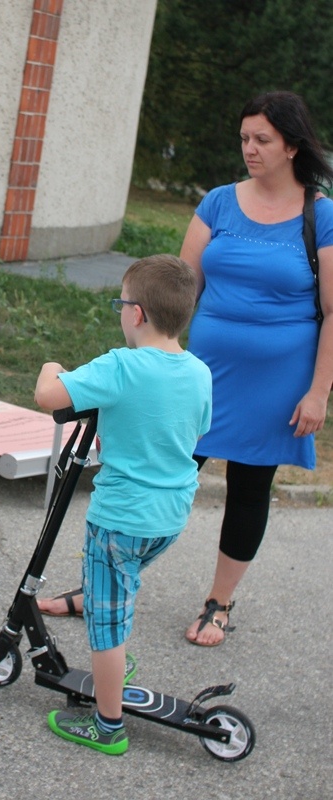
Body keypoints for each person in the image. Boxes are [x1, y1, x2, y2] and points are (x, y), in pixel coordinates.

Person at [39, 91, 333, 646]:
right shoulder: (220, 202)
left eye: (262, 139)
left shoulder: (321, 214)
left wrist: (318, 390)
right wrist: (143, 354)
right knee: (157, 471)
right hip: (201, 372)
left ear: (293, 146)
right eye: (244, 137)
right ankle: (99, 585)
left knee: (249, 485)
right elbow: (178, 283)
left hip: (279, 380)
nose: (249, 148)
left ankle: (218, 604)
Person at [36, 255, 212, 756]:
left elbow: (48, 395)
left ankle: (108, 725)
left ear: (136, 314)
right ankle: (105, 638)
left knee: (107, 627)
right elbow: (196, 430)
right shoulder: (199, 372)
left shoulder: (121, 365)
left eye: (120, 302)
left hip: (120, 517)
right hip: (170, 516)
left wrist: (54, 365)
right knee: (120, 580)